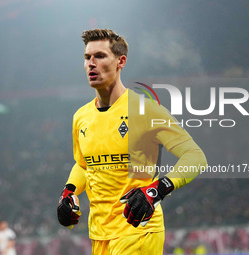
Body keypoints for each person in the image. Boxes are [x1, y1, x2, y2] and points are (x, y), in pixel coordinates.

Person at [57, 29, 207, 255]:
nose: (91, 64)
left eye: (100, 56)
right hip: (100, 235)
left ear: (121, 61)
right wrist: (69, 191)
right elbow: (83, 164)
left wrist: (157, 190)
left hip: (139, 231)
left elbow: (196, 157)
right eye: (87, 57)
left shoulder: (145, 110)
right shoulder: (81, 117)